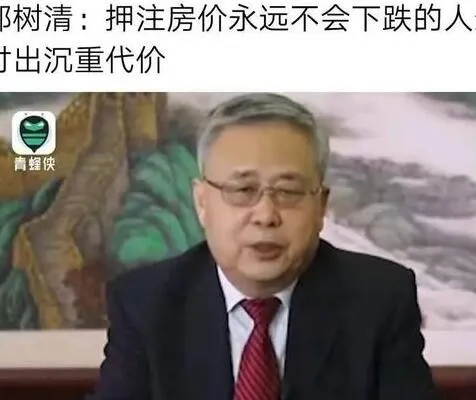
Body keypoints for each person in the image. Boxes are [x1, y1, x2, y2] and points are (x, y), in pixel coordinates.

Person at [93, 93, 438, 400]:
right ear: (202, 203)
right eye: (243, 190)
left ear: (321, 206)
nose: (266, 215)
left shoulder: (379, 301)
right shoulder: (146, 305)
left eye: (288, 191)